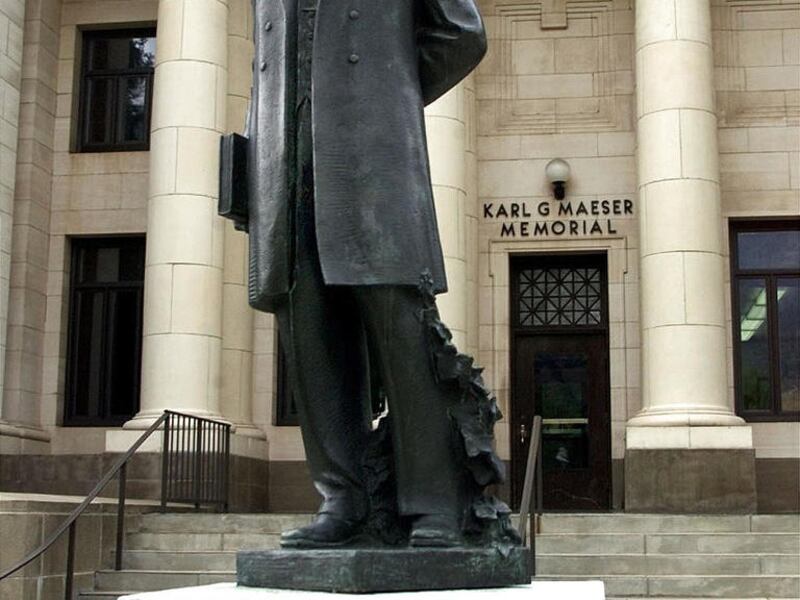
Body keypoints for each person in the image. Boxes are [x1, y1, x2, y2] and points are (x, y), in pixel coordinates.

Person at [227, 0, 488, 548]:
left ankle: (433, 506)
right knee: (310, 341)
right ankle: (341, 500)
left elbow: (461, 34)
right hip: (282, 169)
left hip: (371, 159)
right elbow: (264, 73)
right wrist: (249, 167)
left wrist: (386, 93)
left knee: (404, 341)